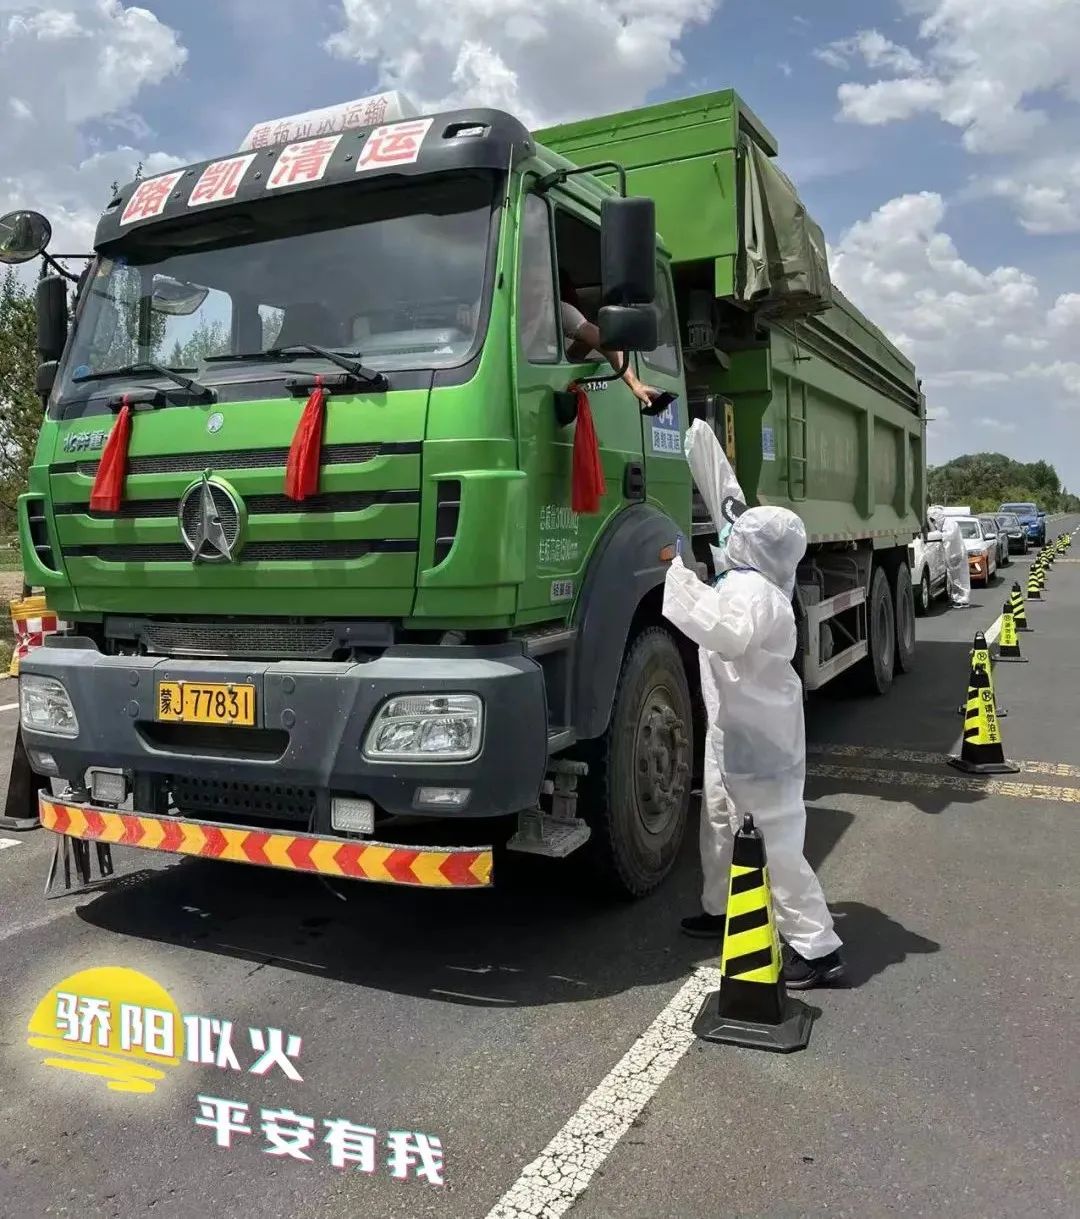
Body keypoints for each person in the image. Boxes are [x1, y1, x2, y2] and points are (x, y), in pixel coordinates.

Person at [662, 420, 845, 989]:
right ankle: (722, 909)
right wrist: (700, 441)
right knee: (719, 820)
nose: (728, 534)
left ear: (750, 547)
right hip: (738, 728)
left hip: (757, 739)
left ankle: (816, 948)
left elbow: (728, 635)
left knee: (777, 841)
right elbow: (728, 502)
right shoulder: (760, 579)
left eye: (738, 534)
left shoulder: (747, 591)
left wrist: (678, 577)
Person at [928, 506, 971, 607]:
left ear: (937, 517)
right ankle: (957, 599)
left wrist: (935, 535)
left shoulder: (950, 523)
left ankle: (963, 600)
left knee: (960, 578)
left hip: (957, 555)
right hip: (951, 556)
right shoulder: (942, 525)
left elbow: (949, 536)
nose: (933, 523)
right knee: (954, 579)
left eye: (933, 520)